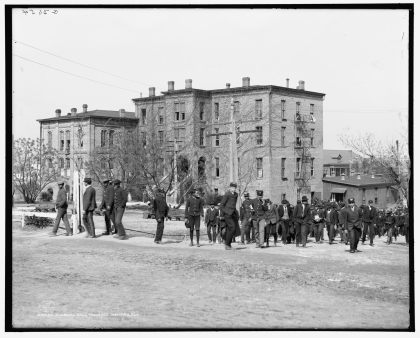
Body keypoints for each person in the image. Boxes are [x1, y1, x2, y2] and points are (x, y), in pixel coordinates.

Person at [219, 183, 239, 250]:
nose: (234, 189)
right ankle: (227, 244)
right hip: (227, 214)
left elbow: (234, 205)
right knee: (232, 228)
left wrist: (235, 213)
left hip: (233, 214)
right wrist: (226, 212)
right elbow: (221, 206)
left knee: (230, 229)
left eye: (235, 188)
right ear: (230, 188)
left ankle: (228, 245)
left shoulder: (236, 195)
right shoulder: (227, 194)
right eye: (232, 187)